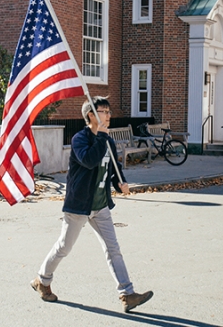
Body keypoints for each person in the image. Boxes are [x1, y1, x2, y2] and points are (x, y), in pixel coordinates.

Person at [30, 96, 154, 313]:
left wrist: (120, 183)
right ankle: (42, 279)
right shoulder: (81, 139)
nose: (108, 115)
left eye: (108, 111)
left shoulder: (108, 140)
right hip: (79, 205)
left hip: (101, 205)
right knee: (64, 247)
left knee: (113, 249)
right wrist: (101, 137)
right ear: (91, 115)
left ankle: (127, 294)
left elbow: (113, 168)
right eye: (104, 111)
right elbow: (89, 160)